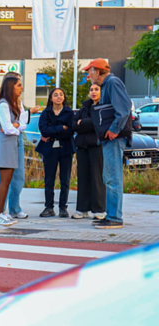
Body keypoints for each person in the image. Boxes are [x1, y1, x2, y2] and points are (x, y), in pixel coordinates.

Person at [84, 58, 132, 229]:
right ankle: (111, 214)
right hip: (109, 137)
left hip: (114, 137)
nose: (88, 75)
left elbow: (124, 109)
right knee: (109, 177)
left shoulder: (112, 83)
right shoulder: (107, 85)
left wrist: (114, 129)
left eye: (89, 71)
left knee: (113, 177)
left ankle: (115, 217)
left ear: (97, 71)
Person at [0, 73, 34, 226]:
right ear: (11, 87)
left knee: (8, 180)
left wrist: (14, 126)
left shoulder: (13, 104)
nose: (22, 88)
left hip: (11, 142)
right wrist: (14, 126)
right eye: (19, 85)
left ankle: (2, 212)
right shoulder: (3, 105)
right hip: (5, 143)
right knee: (3, 180)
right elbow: (8, 128)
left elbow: (21, 124)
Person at [35, 87, 76, 217]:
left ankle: (63, 207)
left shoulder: (69, 113)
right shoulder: (46, 113)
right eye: (55, 95)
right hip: (49, 149)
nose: (59, 97)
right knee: (49, 180)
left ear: (64, 98)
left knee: (65, 179)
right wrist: (60, 128)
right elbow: (44, 130)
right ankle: (49, 207)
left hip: (66, 148)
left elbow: (70, 131)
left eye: (61, 95)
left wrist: (54, 130)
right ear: (51, 98)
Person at [72, 83, 106, 220]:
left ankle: (99, 210)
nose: (93, 92)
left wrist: (82, 123)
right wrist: (82, 124)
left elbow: (97, 124)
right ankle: (82, 209)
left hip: (97, 146)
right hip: (82, 147)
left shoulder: (103, 107)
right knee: (83, 178)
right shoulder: (85, 107)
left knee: (97, 177)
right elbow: (74, 124)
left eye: (96, 89)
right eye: (91, 89)